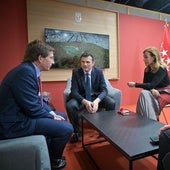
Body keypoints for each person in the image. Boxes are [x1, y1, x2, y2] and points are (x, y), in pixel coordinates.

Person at [0, 40, 73, 170]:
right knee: (67, 129)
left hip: (21, 114)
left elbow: (36, 99)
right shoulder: (25, 72)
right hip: (14, 123)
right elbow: (33, 108)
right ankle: (52, 161)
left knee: (61, 115)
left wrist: (51, 114)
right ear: (40, 58)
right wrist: (51, 116)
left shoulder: (28, 70)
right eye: (51, 58)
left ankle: (49, 150)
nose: (53, 62)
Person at [66, 52, 115, 143]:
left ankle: (105, 129)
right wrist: (85, 102)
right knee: (70, 105)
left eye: (88, 62)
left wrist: (96, 101)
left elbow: (104, 90)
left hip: (95, 96)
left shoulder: (99, 71)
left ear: (93, 63)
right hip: (81, 97)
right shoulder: (76, 72)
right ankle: (77, 131)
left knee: (111, 103)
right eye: (82, 62)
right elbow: (74, 91)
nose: (85, 64)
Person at [127, 47, 170, 120]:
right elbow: (146, 86)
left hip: (166, 92)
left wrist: (135, 84)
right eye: (144, 57)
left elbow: (151, 85)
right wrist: (151, 89)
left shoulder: (161, 68)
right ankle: (145, 120)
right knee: (143, 93)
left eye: (146, 57)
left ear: (153, 57)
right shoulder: (147, 70)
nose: (144, 59)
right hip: (154, 90)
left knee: (146, 97)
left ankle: (149, 122)